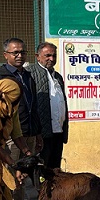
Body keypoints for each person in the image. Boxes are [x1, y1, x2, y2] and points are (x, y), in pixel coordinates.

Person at [0, 38, 42, 200]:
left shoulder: (27, 76)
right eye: (15, 52)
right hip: (9, 137)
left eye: (23, 52)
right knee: (12, 176)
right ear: (5, 55)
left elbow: (33, 107)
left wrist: (37, 133)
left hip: (28, 134)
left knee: (25, 175)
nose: (20, 55)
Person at [29, 42, 68, 170]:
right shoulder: (30, 74)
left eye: (54, 56)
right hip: (41, 134)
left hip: (57, 132)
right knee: (41, 169)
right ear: (37, 56)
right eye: (47, 55)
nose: (51, 59)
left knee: (54, 170)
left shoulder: (57, 77)